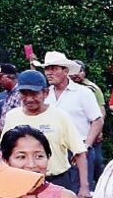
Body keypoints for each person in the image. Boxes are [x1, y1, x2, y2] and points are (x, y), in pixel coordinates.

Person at [2, 70, 90, 198]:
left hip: (57, 181)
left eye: (34, 94)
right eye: (24, 94)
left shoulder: (60, 116)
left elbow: (79, 152)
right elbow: (3, 154)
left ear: (45, 93)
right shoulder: (12, 116)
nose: (29, 99)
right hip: (22, 183)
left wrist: (84, 187)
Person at [40, 52, 104, 186]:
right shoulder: (45, 94)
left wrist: (86, 146)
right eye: (47, 69)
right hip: (53, 152)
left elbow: (97, 120)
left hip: (79, 149)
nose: (49, 73)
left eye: (54, 68)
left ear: (65, 71)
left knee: (80, 190)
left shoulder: (83, 93)